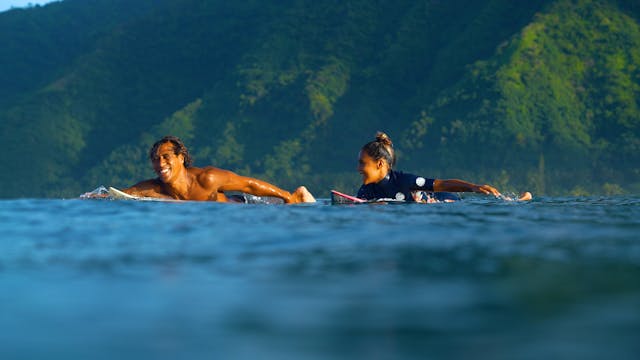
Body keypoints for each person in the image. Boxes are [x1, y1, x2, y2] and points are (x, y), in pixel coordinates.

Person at [100, 135, 315, 203]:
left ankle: (298, 193)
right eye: (156, 160)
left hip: (244, 208)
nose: (160, 164)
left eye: (166, 158)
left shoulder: (207, 178)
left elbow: (248, 184)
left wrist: (287, 197)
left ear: (180, 158)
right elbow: (122, 195)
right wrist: (95, 196)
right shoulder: (153, 188)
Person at [356, 132, 532, 202]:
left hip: (447, 202)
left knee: (500, 203)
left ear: (379, 164)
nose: (358, 168)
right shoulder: (365, 192)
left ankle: (522, 200)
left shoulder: (404, 181)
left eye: (362, 163)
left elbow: (442, 184)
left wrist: (474, 187)